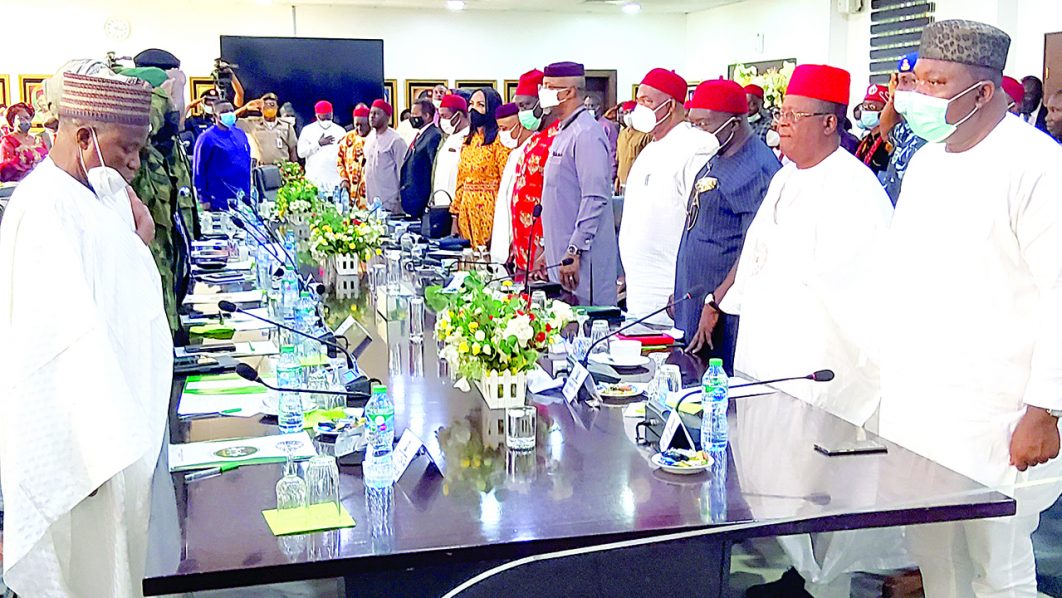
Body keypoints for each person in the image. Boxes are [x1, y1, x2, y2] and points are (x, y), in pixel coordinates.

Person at [879, 20, 1062, 597]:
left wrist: (1046, 409)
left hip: (998, 414)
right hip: (921, 409)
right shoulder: (927, 163)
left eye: (936, 83)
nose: (918, 95)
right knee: (935, 558)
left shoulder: (1037, 165)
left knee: (997, 569)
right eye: (916, 81)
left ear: (983, 92)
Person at [724, 64, 901, 598]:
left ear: (829, 123)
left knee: (817, 482)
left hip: (817, 369)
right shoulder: (786, 177)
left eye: (794, 117)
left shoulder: (854, 188)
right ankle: (797, 572)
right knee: (774, 475)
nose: (781, 126)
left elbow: (863, 291)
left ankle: (825, 584)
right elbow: (759, 255)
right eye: (781, 115)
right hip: (768, 358)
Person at [0, 71, 171, 598]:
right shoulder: (44, 207)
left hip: (114, 431)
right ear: (83, 137)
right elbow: (55, 341)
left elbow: (116, 297)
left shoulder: (93, 197)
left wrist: (137, 242)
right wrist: (88, 445)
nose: (135, 164)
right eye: (126, 148)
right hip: (83, 448)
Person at [675, 80, 780, 365]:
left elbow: (754, 249)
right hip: (696, 298)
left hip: (723, 312)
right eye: (693, 123)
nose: (697, 132)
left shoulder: (757, 168)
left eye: (704, 124)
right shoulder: (716, 153)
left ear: (733, 123)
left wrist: (716, 301)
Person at [619, 68, 714, 326]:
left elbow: (701, 221)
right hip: (640, 293)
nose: (640, 108)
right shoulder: (650, 149)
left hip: (672, 294)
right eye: (638, 100)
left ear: (670, 105)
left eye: (647, 101)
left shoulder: (696, 146)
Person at [540, 61, 618, 306]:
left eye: (550, 87)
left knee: (584, 321)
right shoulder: (564, 131)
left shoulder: (586, 134)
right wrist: (548, 250)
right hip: (560, 256)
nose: (543, 93)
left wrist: (574, 249)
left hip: (581, 260)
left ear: (570, 91)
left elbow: (594, 197)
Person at [510, 69, 559, 275]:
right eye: (519, 107)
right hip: (522, 246)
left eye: (526, 105)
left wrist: (546, 245)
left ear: (543, 102)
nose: (522, 112)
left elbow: (559, 197)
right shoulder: (535, 138)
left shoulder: (559, 138)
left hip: (543, 249)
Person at [451, 88, 510, 247]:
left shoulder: (500, 141)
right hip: (466, 211)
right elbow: (461, 181)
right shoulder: (468, 141)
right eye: (471, 104)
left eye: (480, 105)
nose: (473, 109)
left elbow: (506, 182)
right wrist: (455, 217)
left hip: (490, 211)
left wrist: (501, 224)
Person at [879, 52, 929, 205]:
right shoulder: (908, 128)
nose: (900, 88)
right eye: (899, 81)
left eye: (907, 81)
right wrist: (892, 99)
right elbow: (886, 132)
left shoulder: (934, 129)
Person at [489, 102, 535, 265]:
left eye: (505, 129)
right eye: (499, 129)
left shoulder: (532, 150)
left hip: (520, 240)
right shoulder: (515, 152)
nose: (502, 134)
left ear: (520, 125)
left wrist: (515, 240)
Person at [193, 100, 251, 211]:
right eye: (224, 112)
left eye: (231, 110)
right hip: (218, 199)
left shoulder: (240, 133)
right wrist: (203, 199)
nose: (229, 113)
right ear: (215, 116)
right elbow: (199, 170)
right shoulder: (206, 138)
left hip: (243, 197)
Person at [400, 98, 443, 218]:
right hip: (412, 200)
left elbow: (433, 168)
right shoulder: (421, 134)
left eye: (415, 114)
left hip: (422, 200)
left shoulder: (433, 136)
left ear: (427, 115)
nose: (412, 117)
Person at [362, 99, 407, 214]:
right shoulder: (370, 137)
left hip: (390, 203)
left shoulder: (396, 141)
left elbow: (403, 173)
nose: (372, 117)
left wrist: (400, 201)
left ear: (387, 117)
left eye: (377, 113)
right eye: (371, 113)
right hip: (371, 203)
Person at [431, 94, 471, 211]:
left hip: (457, 205)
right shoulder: (447, 138)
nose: (441, 121)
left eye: (444, 116)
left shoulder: (469, 138)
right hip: (440, 203)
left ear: (458, 115)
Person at [237, 93, 298, 165]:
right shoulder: (252, 123)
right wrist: (245, 108)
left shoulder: (287, 126)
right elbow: (230, 121)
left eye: (272, 105)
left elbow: (292, 150)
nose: (269, 108)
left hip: (281, 167)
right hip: (261, 167)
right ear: (261, 109)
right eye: (266, 105)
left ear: (277, 107)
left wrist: (294, 167)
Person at [297, 100, 343, 194]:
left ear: (332, 114)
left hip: (335, 180)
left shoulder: (340, 131)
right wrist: (318, 144)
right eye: (323, 117)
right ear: (317, 116)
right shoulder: (308, 130)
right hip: (314, 180)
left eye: (328, 117)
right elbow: (301, 153)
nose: (326, 120)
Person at [0, 103, 48, 182]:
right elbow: (4, 171)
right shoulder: (8, 141)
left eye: (27, 118)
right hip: (16, 184)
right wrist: (20, 160)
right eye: (20, 119)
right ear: (12, 121)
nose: (25, 121)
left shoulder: (37, 140)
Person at [615, 100, 653, 196]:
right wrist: (617, 178)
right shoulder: (622, 134)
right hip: (622, 183)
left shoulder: (645, 135)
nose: (628, 116)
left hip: (638, 185)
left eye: (630, 112)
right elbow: (619, 160)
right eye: (625, 113)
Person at [853, 84, 891, 175]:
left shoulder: (890, 142)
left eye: (872, 107)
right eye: (864, 107)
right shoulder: (865, 141)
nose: (867, 111)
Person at [337, 106, 371, 208]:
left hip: (370, 194)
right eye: (356, 125)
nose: (359, 128)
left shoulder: (376, 138)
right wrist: (344, 179)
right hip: (351, 194)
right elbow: (339, 162)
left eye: (362, 125)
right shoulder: (347, 138)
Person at [585, 92, 618, 184]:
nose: (588, 109)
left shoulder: (607, 126)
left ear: (598, 107)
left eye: (591, 106)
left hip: (603, 173)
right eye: (586, 106)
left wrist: (611, 176)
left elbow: (613, 152)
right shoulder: (583, 125)